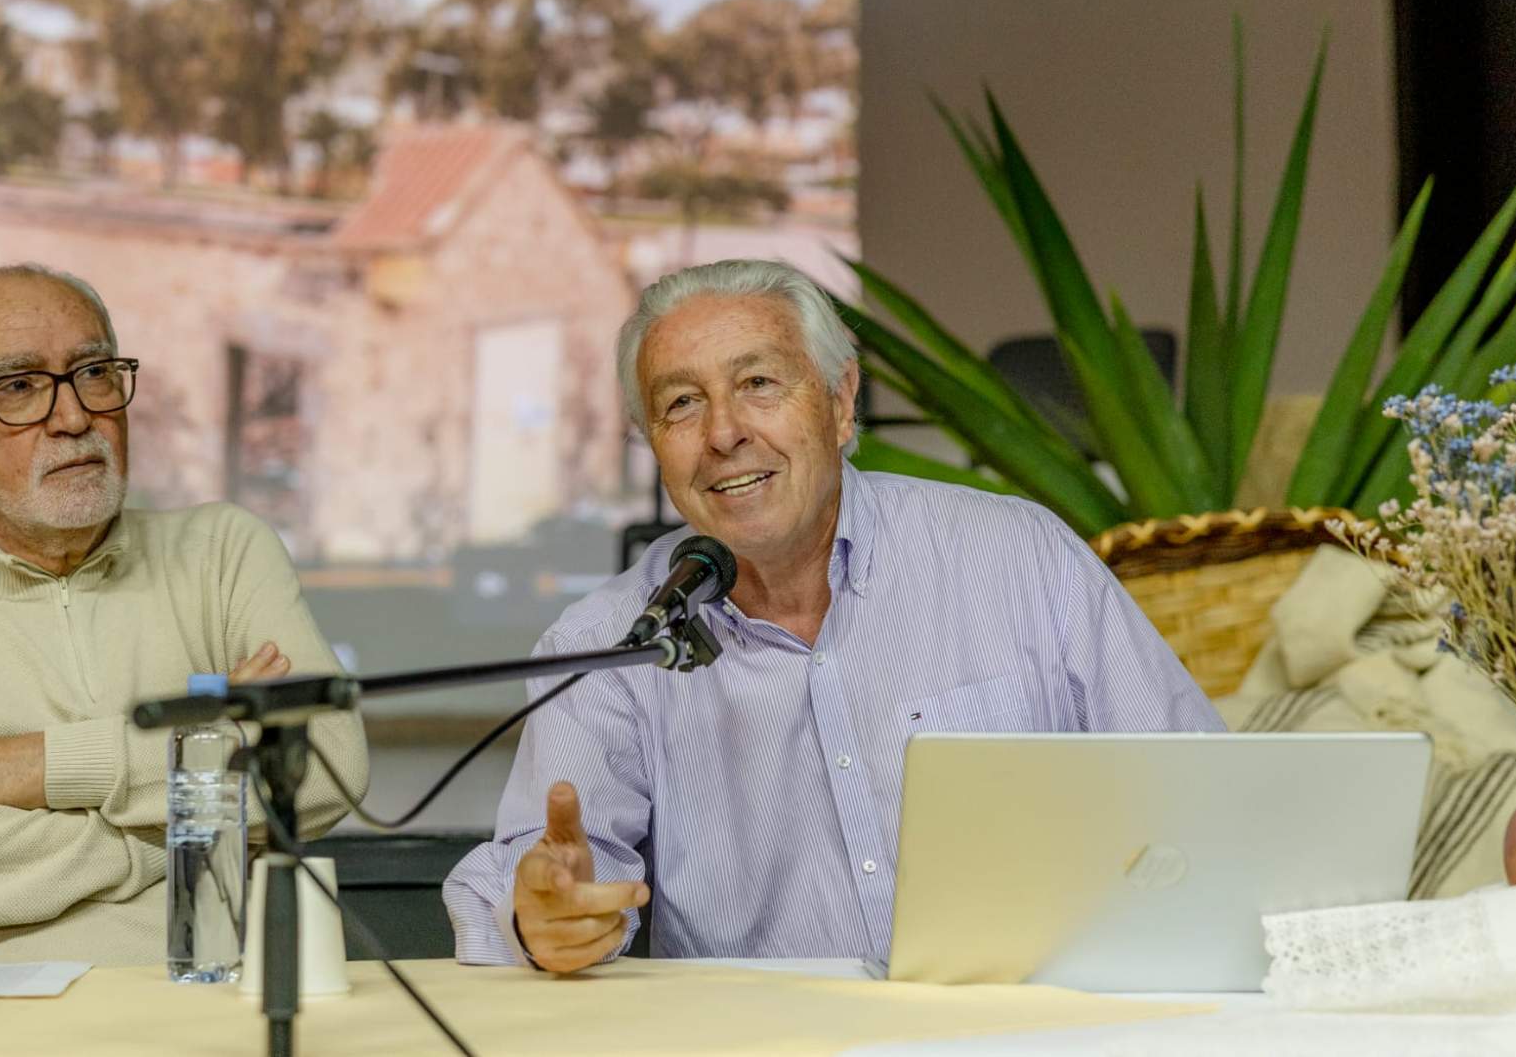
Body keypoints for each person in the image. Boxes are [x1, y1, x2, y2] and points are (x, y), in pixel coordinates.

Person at [443, 258, 1221, 972]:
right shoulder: (611, 643)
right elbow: (559, 878)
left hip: (1029, 1031)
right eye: (682, 404)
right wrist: (542, 918)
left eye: (758, 384)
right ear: (654, 447)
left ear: (842, 404)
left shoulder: (1020, 559)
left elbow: (1199, 795)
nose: (723, 434)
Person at [0, 262, 368, 963]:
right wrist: (194, 823)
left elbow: (329, 767)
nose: (73, 417)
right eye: (18, 388)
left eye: (94, 373)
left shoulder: (222, 550)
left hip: (203, 1008)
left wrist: (46, 767)